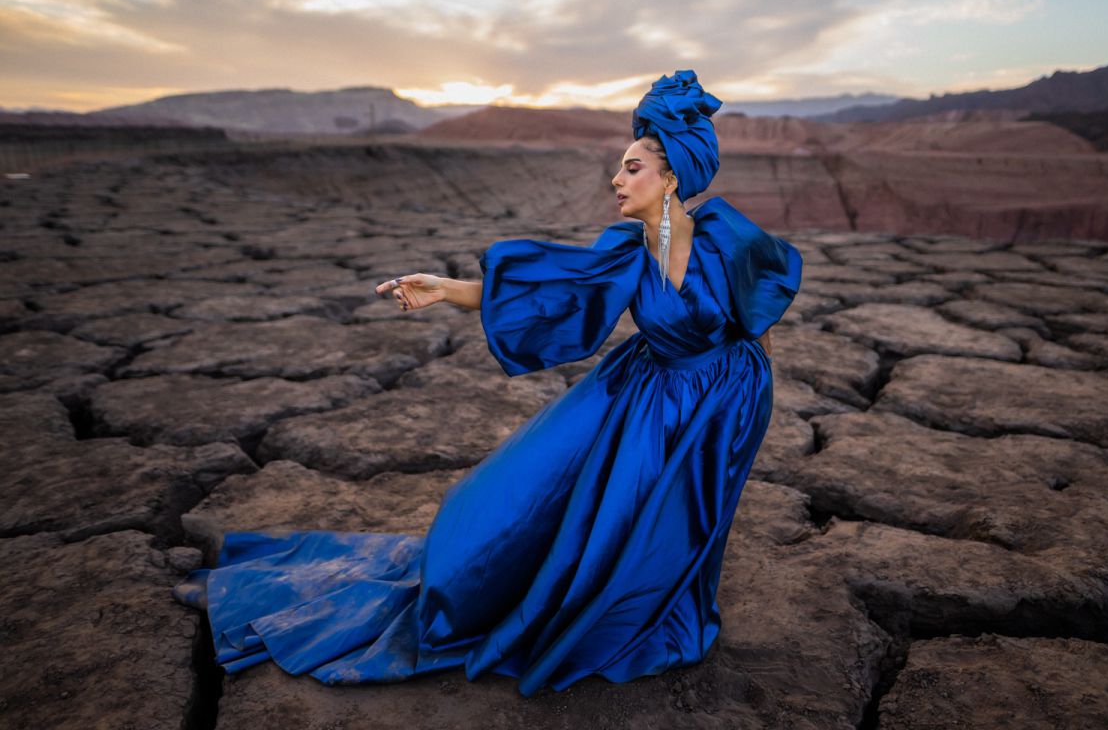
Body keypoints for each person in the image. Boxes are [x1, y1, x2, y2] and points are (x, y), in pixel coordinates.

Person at [171, 69, 804, 698]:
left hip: (727, 398)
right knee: (548, 494)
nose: (616, 179)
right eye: (619, 167)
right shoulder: (625, 250)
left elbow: (758, 320)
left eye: (632, 168)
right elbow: (545, 291)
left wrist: (751, 402)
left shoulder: (729, 240)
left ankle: (661, 598)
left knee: (685, 516)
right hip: (651, 394)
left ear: (672, 178)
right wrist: (444, 289)